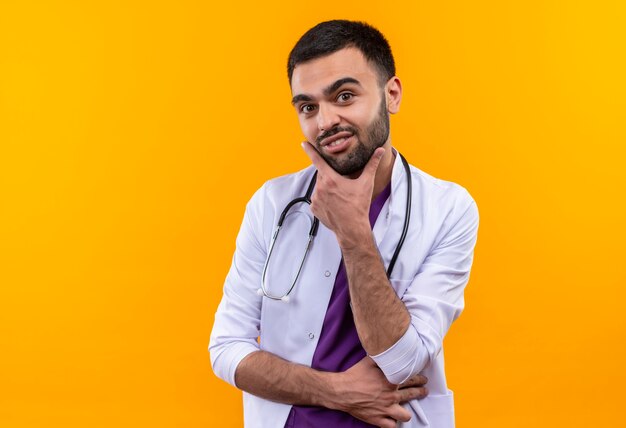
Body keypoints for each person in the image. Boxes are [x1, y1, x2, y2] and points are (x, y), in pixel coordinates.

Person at [209, 20, 479, 428]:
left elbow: (403, 360)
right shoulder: (273, 203)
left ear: (392, 94)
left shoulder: (448, 208)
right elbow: (227, 350)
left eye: (345, 96)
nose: (325, 122)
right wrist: (338, 392)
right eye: (308, 107)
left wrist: (354, 231)